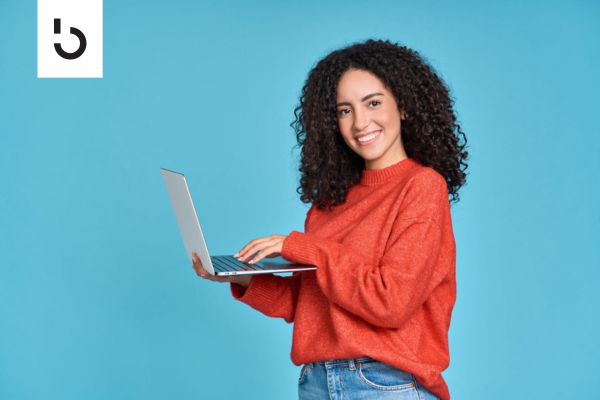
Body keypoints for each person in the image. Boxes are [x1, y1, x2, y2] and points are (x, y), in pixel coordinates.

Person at [191, 39, 468, 400]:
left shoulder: (422, 187)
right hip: (317, 383)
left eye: (373, 103)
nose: (360, 122)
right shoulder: (328, 203)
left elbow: (391, 302)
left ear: (404, 106)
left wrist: (302, 246)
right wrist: (240, 277)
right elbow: (310, 304)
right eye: (344, 110)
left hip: (386, 384)